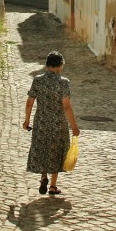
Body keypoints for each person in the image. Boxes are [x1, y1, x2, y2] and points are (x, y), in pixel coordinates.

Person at [22, 51, 80, 196]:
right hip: (58, 123)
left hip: (41, 121)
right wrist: (74, 126)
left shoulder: (38, 80)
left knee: (42, 148)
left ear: (47, 65)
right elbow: (66, 106)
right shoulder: (63, 82)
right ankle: (53, 186)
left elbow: (30, 102)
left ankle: (43, 177)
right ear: (60, 66)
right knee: (56, 151)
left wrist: (27, 120)